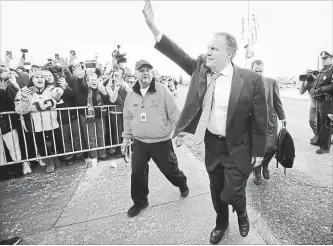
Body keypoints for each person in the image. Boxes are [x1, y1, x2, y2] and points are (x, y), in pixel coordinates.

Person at [142, 0, 267, 243]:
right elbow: (178, 54)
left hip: (239, 146)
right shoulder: (201, 68)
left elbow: (259, 119)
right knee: (216, 189)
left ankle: (241, 212)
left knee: (232, 191)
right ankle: (221, 223)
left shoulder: (251, 80)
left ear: (228, 54)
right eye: (207, 47)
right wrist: (154, 28)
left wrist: (260, 150)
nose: (207, 51)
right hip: (212, 143)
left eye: (214, 48)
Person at [121, 59, 189, 218]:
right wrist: (126, 138)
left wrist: (180, 134)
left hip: (161, 142)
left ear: (152, 72)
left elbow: (174, 113)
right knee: (137, 172)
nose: (145, 73)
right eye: (141, 70)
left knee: (170, 170)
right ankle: (140, 202)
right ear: (135, 73)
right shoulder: (131, 95)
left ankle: (182, 182)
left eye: (148, 70)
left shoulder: (163, 90)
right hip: (139, 142)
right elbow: (127, 118)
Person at [251, 60, 286, 185]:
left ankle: (264, 164)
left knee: (271, 147)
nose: (259, 73)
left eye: (261, 71)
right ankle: (256, 172)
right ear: (252, 70)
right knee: (255, 150)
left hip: (270, 121)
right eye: (256, 71)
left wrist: (282, 117)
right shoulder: (247, 83)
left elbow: (277, 101)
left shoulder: (271, 83)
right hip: (253, 123)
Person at [310, 51, 333, 154]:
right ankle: (320, 141)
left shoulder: (331, 70)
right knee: (320, 123)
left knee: (326, 124)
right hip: (320, 100)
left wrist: (321, 90)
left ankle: (325, 147)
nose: (323, 59)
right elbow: (317, 84)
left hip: (327, 101)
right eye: (322, 58)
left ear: (331, 58)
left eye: (325, 58)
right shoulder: (323, 70)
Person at [298, 69, 319, 144]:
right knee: (311, 121)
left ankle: (322, 137)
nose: (309, 75)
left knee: (325, 123)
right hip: (313, 105)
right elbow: (301, 92)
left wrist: (315, 77)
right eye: (308, 74)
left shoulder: (318, 79)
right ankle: (317, 135)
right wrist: (303, 81)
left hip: (321, 104)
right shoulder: (308, 82)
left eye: (311, 73)